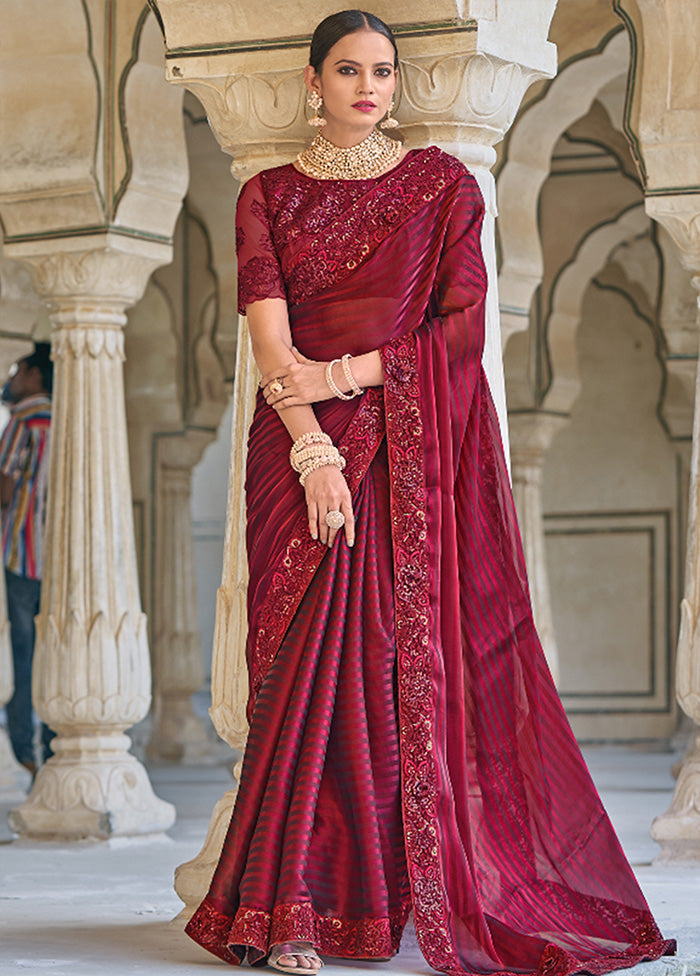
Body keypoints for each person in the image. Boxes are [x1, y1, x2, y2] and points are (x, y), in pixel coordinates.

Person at [185, 10, 675, 976]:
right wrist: (315, 454)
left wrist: (352, 375)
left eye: (384, 72)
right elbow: (273, 348)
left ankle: (351, 907)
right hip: (297, 452)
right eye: (349, 70)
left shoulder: (440, 187)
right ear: (312, 82)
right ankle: (281, 908)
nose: (370, 87)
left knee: (370, 672)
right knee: (294, 675)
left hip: (399, 445)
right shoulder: (266, 195)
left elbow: (458, 333)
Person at [0, 342, 54, 778]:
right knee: (56, 651)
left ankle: (23, 751)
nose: (13, 378)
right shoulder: (66, 417)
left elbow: (5, 483)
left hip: (23, 553)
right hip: (61, 561)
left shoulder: (24, 420)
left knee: (22, 656)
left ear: (36, 375)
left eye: (19, 370)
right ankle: (55, 750)